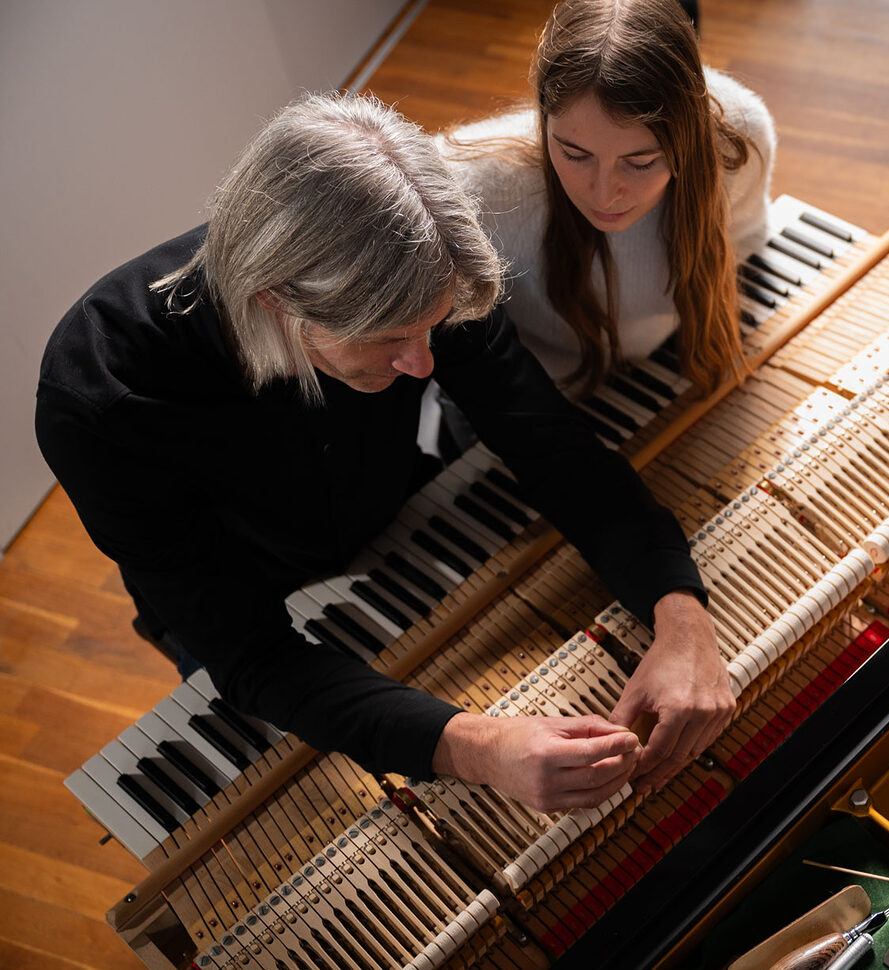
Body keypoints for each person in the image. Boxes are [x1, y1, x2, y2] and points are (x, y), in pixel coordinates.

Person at [34, 92, 734, 813]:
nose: (425, 365)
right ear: (276, 299)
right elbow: (254, 655)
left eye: (431, 330)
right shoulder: (99, 397)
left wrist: (680, 613)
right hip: (236, 588)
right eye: (391, 342)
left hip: (392, 506)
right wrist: (483, 746)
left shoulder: (420, 261)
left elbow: (548, 443)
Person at [437, 0, 776, 401]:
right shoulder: (472, 185)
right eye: (575, 155)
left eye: (641, 162)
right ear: (543, 119)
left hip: (672, 368)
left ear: (686, 139)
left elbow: (748, 245)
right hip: (537, 400)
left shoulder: (739, 136)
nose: (604, 195)